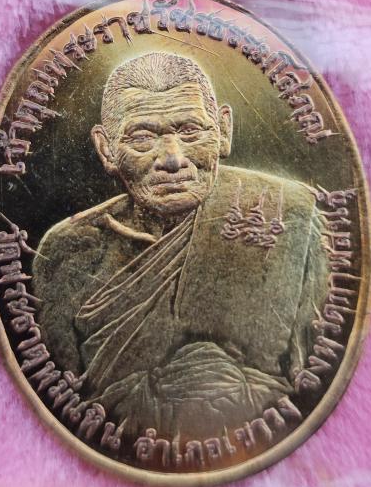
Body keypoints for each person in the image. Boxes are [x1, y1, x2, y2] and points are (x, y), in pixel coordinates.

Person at [33, 52, 328, 441]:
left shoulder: (290, 216)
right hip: (127, 443)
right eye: (142, 137)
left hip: (256, 437)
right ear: (106, 149)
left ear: (223, 130)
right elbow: (65, 393)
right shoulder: (69, 250)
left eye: (190, 130)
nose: (173, 159)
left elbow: (313, 375)